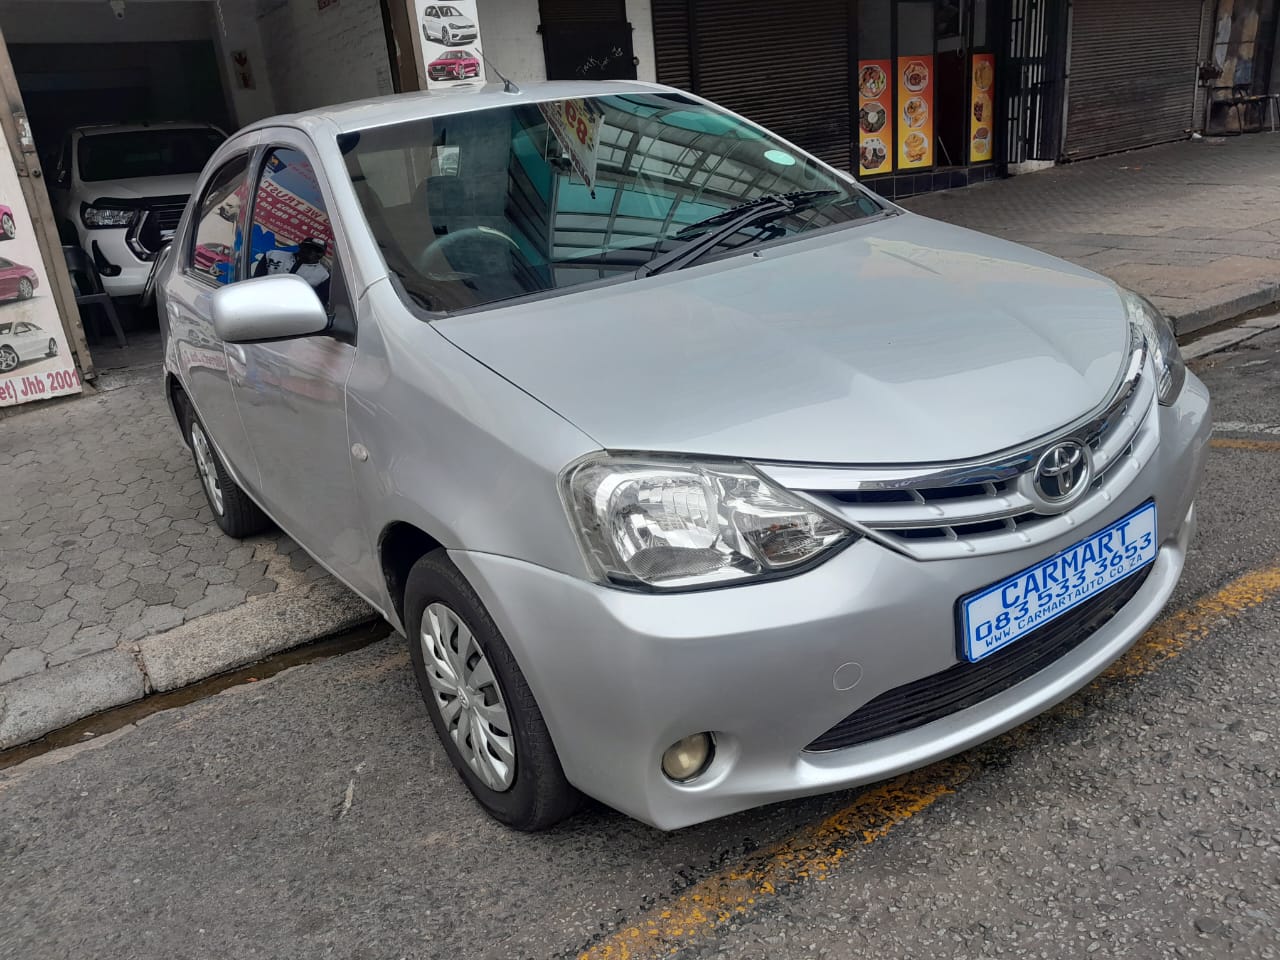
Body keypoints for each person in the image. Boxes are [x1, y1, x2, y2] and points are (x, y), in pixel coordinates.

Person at [252, 236, 331, 303]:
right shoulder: (272, 255)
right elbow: (256, 281)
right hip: (261, 300)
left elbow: (319, 302)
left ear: (322, 255)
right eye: (309, 248)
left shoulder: (323, 276)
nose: (312, 252)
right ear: (300, 246)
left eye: (318, 251)